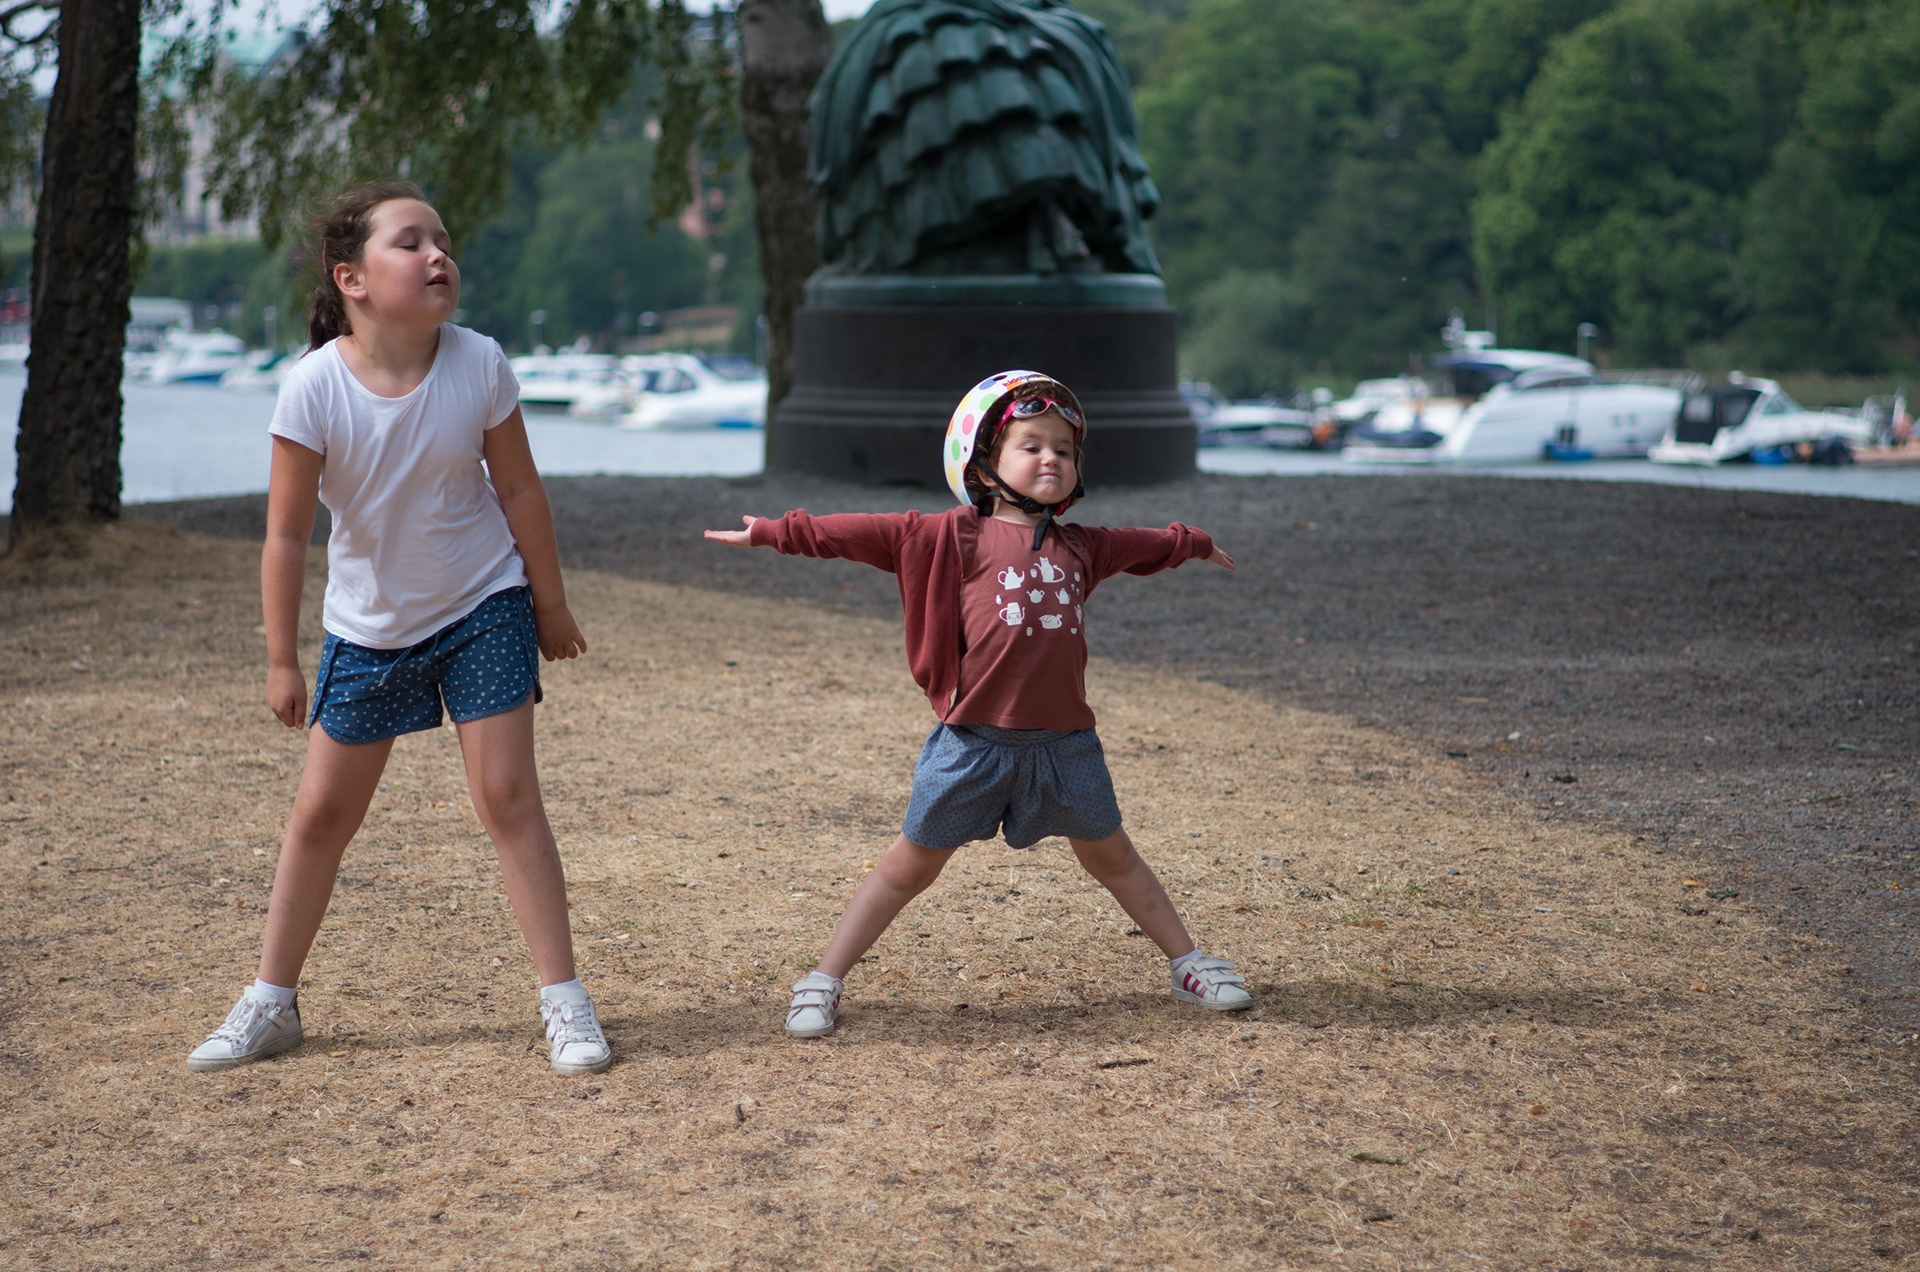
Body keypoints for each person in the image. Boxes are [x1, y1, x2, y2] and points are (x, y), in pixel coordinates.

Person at [187, 181, 611, 1076]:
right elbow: (286, 535)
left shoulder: (479, 362)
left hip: (483, 602)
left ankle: (566, 1001)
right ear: (352, 279)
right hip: (370, 626)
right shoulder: (312, 387)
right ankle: (271, 1002)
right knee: (321, 814)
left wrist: (549, 603)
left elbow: (520, 489)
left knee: (508, 796)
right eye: (410, 243)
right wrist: (280, 658)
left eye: (443, 241)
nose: (437, 255)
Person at [706, 369, 1254, 1038]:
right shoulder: (946, 538)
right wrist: (775, 532)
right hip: (973, 744)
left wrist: (1194, 543)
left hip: (1066, 745)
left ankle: (1189, 965)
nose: (1051, 458)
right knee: (907, 868)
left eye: (1063, 449)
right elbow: (854, 533)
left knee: (1113, 859)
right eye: (1031, 445)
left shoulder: (1083, 546)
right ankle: (823, 980)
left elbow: (1149, 544)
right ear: (984, 464)